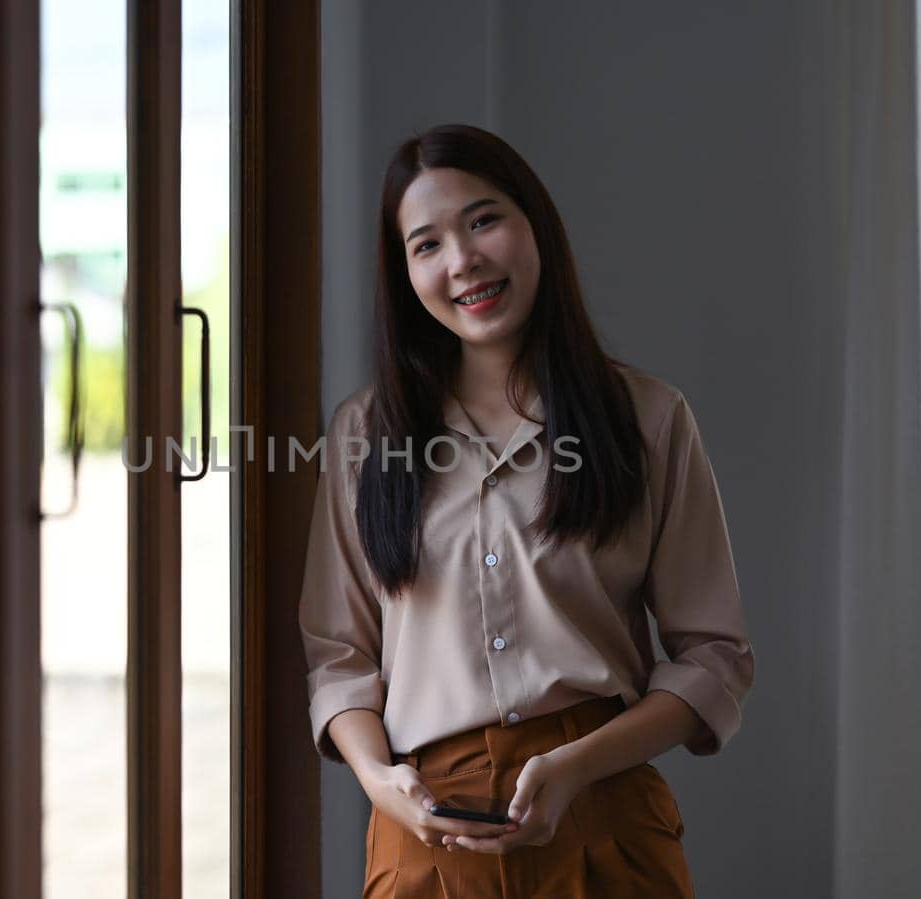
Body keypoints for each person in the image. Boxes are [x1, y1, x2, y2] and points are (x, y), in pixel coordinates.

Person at [297, 123, 755, 898]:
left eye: (483, 220)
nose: (463, 260)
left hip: (605, 818)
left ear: (534, 223)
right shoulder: (363, 435)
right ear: (404, 272)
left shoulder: (647, 417)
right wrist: (379, 778)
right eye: (426, 244)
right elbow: (339, 656)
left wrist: (577, 765)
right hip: (425, 841)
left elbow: (715, 658)